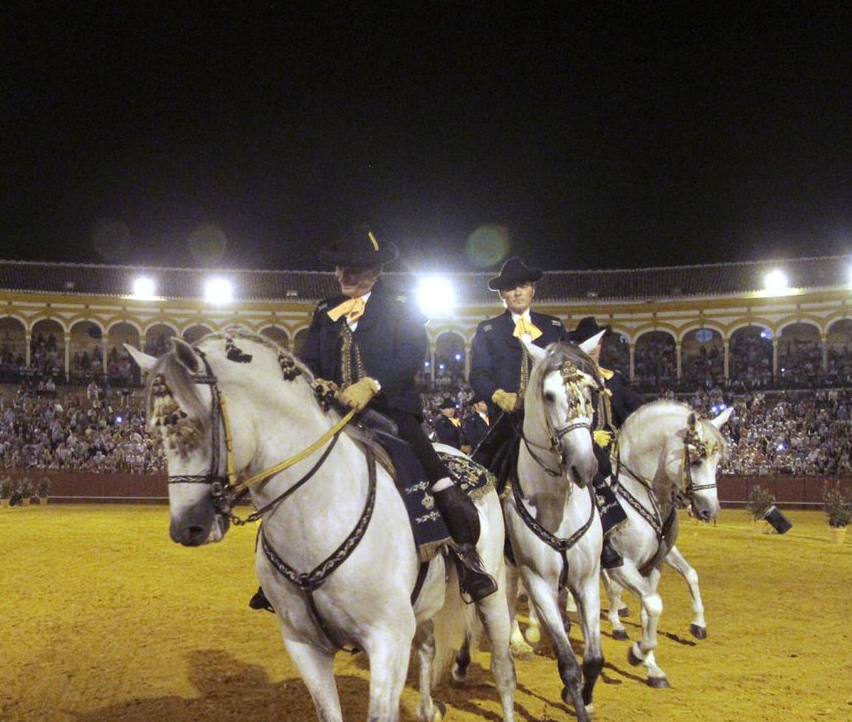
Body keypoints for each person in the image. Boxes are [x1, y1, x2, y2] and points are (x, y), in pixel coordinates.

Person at [251, 225, 497, 610]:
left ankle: (466, 558)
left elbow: (411, 354)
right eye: (340, 268)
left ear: (376, 271)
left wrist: (371, 384)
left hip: (390, 410)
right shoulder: (325, 311)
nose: (343, 275)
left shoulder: (400, 306)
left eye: (354, 269)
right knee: (291, 471)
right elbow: (309, 358)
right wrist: (319, 381)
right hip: (333, 413)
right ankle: (278, 570)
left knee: (431, 470)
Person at [467, 255, 567, 488]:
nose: (518, 292)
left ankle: (607, 505)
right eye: (510, 288)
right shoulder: (488, 329)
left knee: (591, 460)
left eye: (523, 286)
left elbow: (567, 369)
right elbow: (478, 373)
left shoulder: (553, 326)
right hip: (509, 418)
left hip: (551, 417)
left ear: (533, 290)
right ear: (502, 294)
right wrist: (499, 395)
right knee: (484, 476)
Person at [568, 317, 651, 568]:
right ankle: (600, 542)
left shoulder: (614, 379)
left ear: (601, 345)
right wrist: (589, 437)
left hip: (616, 450)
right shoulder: (572, 380)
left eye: (597, 342)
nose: (593, 347)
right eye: (587, 342)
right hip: (584, 450)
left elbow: (636, 410)